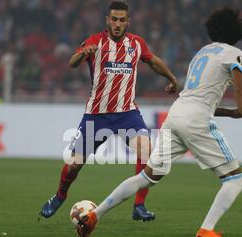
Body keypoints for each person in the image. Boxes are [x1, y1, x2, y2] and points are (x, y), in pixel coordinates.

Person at [75, 6, 242, 237]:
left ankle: (94, 215)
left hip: (176, 116)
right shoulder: (234, 54)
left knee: (147, 176)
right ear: (237, 31)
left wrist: (232, 113)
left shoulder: (202, 53)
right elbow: (240, 90)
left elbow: (197, 98)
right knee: (235, 179)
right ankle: (206, 231)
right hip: (196, 120)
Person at [39, 1, 178, 221]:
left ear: (128, 22)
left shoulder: (136, 43)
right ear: (107, 20)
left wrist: (171, 78)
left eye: (122, 20)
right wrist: (85, 52)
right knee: (74, 165)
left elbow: (153, 61)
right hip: (97, 115)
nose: (118, 24)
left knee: (146, 150)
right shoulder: (96, 41)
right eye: (114, 19)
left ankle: (139, 205)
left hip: (127, 114)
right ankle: (59, 196)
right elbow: (72, 62)